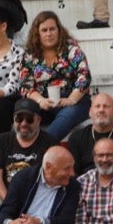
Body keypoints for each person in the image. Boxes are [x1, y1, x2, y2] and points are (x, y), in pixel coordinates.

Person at [17, 12, 90, 140]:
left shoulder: (71, 48)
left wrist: (71, 99)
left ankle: (42, 146)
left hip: (72, 99)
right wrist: (40, 101)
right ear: (37, 33)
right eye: (44, 30)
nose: (49, 34)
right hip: (43, 101)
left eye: (52, 29)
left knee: (68, 114)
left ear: (59, 30)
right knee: (22, 110)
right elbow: (25, 84)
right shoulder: (30, 54)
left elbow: (84, 75)